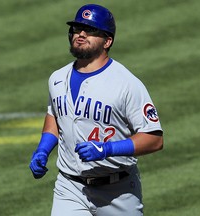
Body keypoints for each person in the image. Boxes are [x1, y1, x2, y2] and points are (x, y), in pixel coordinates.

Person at [29, 4, 163, 216]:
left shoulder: (126, 83)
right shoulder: (57, 78)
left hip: (117, 192)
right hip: (69, 187)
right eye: (77, 28)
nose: (81, 34)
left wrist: (107, 150)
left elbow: (154, 139)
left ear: (107, 41)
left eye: (90, 30)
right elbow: (55, 116)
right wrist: (43, 149)